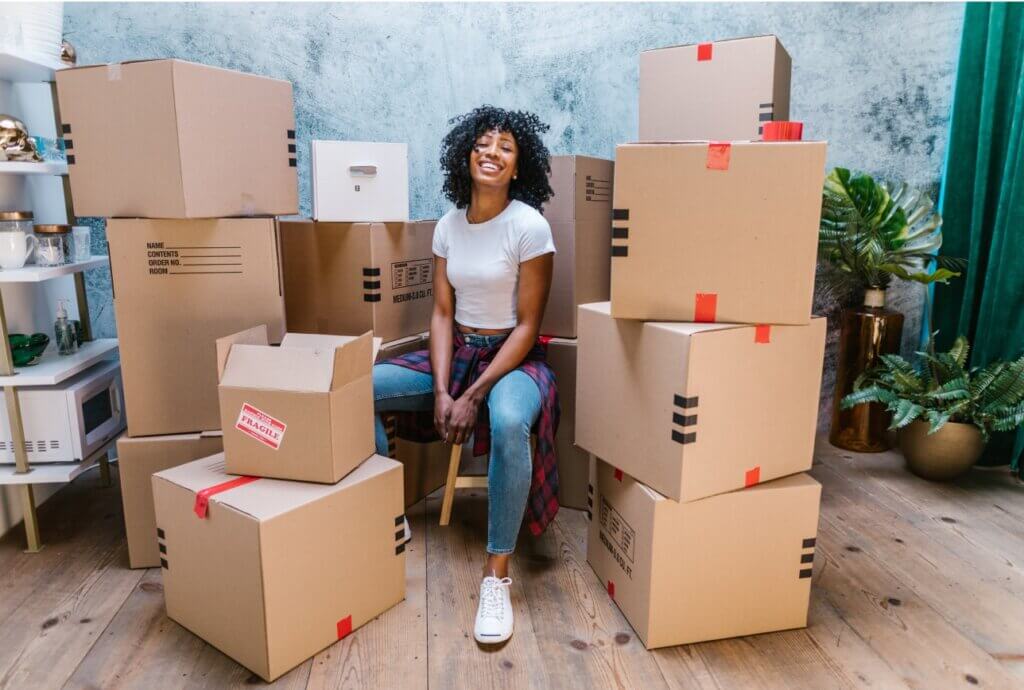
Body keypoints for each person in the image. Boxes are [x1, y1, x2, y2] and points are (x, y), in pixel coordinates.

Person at [373, 105, 560, 645]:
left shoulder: (530, 226)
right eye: (483, 143)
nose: (492, 152)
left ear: (519, 166)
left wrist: (473, 394)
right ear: (466, 154)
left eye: (506, 147)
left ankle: (496, 576)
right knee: (358, 389)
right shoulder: (448, 226)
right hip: (459, 353)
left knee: (508, 420)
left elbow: (528, 326)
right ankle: (382, 516)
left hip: (514, 359)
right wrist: (440, 390)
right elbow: (440, 314)